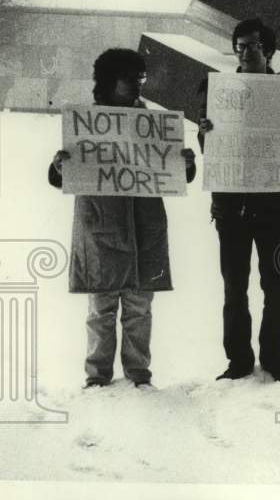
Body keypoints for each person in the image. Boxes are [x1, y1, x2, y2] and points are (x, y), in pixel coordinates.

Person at [50, 48, 196, 390]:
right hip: (100, 225)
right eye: (129, 78)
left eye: (140, 78)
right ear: (108, 81)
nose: (136, 86)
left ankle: (138, 375)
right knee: (101, 307)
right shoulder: (87, 123)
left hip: (145, 226)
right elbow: (63, 176)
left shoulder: (154, 124)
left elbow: (176, 174)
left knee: (139, 306)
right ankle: (97, 376)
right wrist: (59, 166)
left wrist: (185, 164)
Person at [197, 18, 280, 383]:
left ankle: (273, 357)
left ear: (269, 51)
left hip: (273, 206)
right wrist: (206, 135)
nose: (244, 53)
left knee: (277, 286)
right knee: (234, 287)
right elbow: (211, 150)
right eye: (239, 46)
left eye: (253, 46)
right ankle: (239, 360)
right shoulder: (220, 91)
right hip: (230, 207)